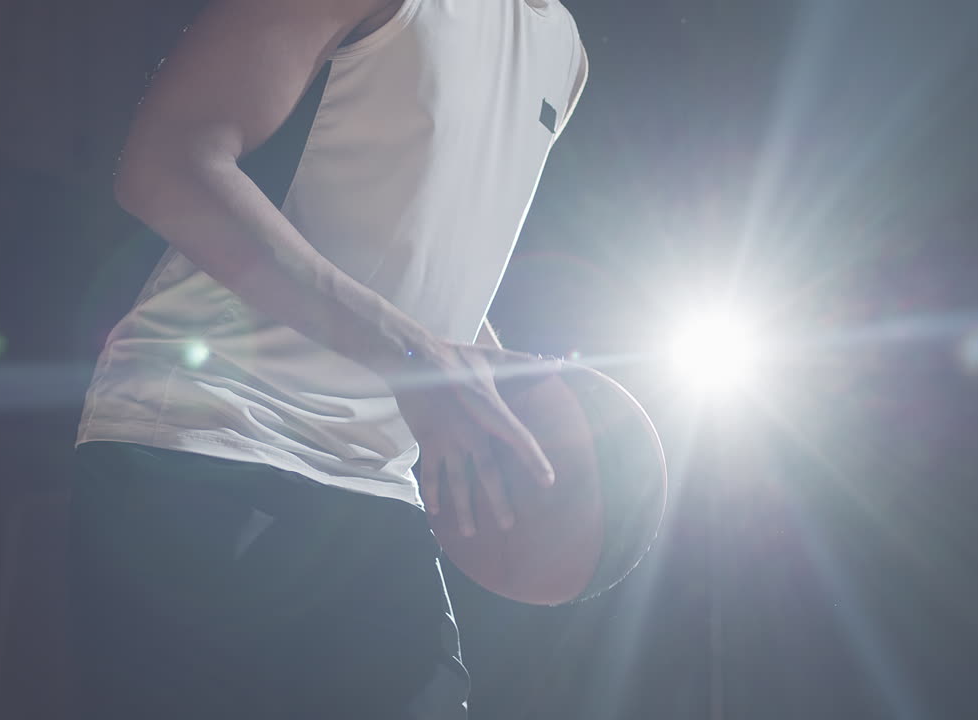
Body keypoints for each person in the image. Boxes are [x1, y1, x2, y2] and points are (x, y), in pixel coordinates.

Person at [66, 0, 588, 717]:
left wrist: (482, 378)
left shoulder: (561, 47)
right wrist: (413, 351)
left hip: (377, 482)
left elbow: (411, 252)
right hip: (210, 433)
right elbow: (162, 164)